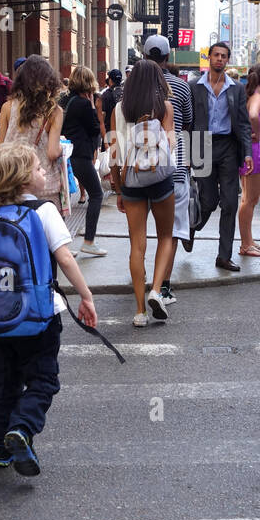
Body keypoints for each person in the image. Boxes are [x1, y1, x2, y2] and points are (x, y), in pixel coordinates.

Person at [0, 143, 98, 475]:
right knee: (44, 379)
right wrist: (86, 296)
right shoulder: (44, 211)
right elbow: (65, 258)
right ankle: (23, 428)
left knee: (5, 381)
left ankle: (0, 446)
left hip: (0, 317)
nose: (45, 172)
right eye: (39, 169)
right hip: (40, 316)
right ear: (23, 179)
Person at [108, 59, 176, 327]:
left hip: (131, 181)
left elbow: (114, 154)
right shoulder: (164, 108)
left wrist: (118, 189)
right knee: (166, 236)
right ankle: (157, 291)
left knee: (137, 244)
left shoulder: (117, 109)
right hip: (160, 180)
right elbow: (170, 148)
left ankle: (139, 312)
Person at [139, 34, 194, 304]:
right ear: (168, 57)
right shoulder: (182, 89)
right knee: (170, 232)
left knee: (138, 231)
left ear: (144, 55)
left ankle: (141, 288)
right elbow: (188, 125)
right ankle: (163, 288)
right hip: (175, 168)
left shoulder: (133, 88)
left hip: (137, 168)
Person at [190, 41, 253, 271]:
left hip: (228, 146)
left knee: (229, 203)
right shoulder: (194, 85)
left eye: (223, 56)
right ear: (209, 58)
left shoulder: (236, 88)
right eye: (216, 55)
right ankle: (192, 227)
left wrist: (247, 152)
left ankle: (223, 256)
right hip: (201, 144)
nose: (219, 59)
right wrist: (187, 152)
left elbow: (244, 124)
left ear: (227, 60)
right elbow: (188, 121)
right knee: (208, 200)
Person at [0, 55, 65, 209]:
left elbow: (0, 148)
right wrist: (63, 148)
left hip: (12, 182)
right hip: (43, 184)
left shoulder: (7, 107)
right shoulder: (54, 111)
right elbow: (53, 153)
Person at [63, 66, 106, 256]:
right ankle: (89, 241)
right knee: (97, 194)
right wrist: (92, 108)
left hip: (69, 153)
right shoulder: (82, 103)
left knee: (61, 200)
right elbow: (95, 129)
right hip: (80, 154)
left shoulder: (67, 100)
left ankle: (61, 245)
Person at [237, 64, 260, 257]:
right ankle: (245, 244)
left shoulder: (248, 95)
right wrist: (256, 133)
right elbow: (253, 115)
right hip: (256, 151)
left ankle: (249, 241)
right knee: (249, 200)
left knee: (250, 198)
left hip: (254, 150)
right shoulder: (257, 96)